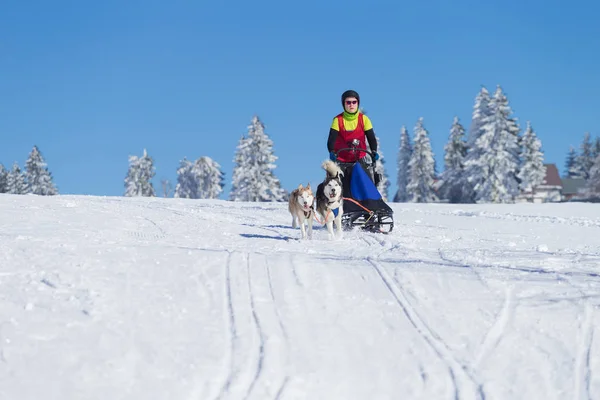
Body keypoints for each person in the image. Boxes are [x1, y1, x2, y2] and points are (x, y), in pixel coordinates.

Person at [327, 89, 379, 180]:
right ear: (344, 104)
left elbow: (371, 138)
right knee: (337, 185)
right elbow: (331, 139)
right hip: (341, 160)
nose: (351, 105)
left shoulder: (364, 119)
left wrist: (374, 151)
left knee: (367, 185)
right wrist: (332, 151)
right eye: (348, 102)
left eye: (354, 102)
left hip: (359, 159)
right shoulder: (337, 120)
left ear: (358, 103)